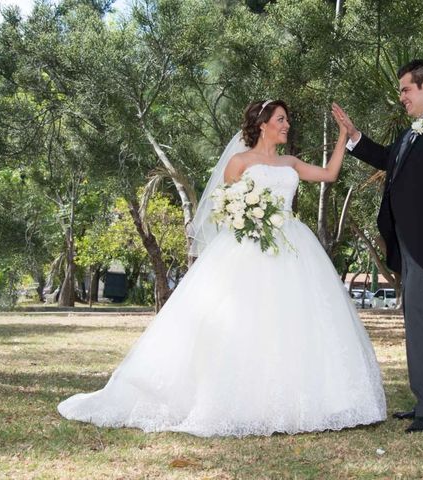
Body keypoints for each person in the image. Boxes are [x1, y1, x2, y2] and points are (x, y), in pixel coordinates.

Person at [58, 100, 386, 437]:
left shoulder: (290, 162)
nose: (287, 125)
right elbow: (225, 207)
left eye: (287, 120)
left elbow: (329, 174)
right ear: (262, 124)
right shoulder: (239, 162)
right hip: (248, 248)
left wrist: (343, 136)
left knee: (295, 320)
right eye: (281, 119)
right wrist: (247, 218)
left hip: (293, 244)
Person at [333, 60, 423, 433]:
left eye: (405, 89)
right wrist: (354, 136)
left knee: (422, 321)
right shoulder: (409, 133)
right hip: (410, 243)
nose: (401, 97)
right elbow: (390, 160)